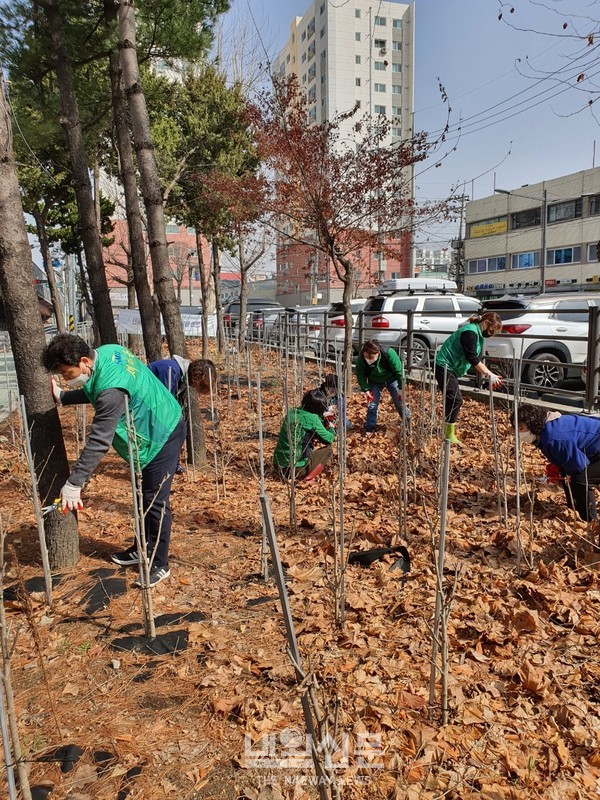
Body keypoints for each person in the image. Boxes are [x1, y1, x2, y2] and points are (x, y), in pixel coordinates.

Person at [43, 334, 186, 587]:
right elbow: (96, 389)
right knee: (144, 497)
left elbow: (99, 440)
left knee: (155, 501)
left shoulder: (110, 389)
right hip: (156, 421)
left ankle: (159, 563)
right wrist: (64, 397)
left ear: (84, 361)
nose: (68, 379)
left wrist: (75, 483)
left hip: (162, 433)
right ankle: (140, 548)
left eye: (68, 373)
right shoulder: (108, 351)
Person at [517, 404, 600, 536]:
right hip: (594, 445)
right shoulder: (545, 430)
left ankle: (590, 523)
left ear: (532, 424)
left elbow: (578, 464)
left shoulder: (554, 436)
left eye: (521, 428)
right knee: (568, 474)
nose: (519, 433)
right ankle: (575, 510)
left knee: (582, 480)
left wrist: (569, 471)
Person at [434, 311, 503, 444]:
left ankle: (447, 428)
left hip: (451, 367)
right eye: (491, 331)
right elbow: (472, 358)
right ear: (486, 323)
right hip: (444, 366)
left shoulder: (475, 331)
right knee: (455, 399)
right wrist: (489, 374)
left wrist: (489, 374)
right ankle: (448, 434)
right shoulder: (470, 333)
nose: (491, 334)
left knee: (453, 399)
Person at [273, 389, 336, 481]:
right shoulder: (312, 419)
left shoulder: (291, 412)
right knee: (328, 450)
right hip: (295, 470)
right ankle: (307, 478)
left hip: (277, 465)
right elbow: (329, 439)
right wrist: (331, 427)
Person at [355, 340, 409, 433]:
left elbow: (400, 372)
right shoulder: (361, 358)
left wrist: (401, 388)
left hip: (392, 379)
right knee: (372, 405)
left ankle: (407, 422)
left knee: (399, 402)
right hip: (374, 381)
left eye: (372, 357)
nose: (369, 360)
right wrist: (366, 389)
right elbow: (359, 374)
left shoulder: (389, 353)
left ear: (378, 353)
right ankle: (370, 427)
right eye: (366, 357)